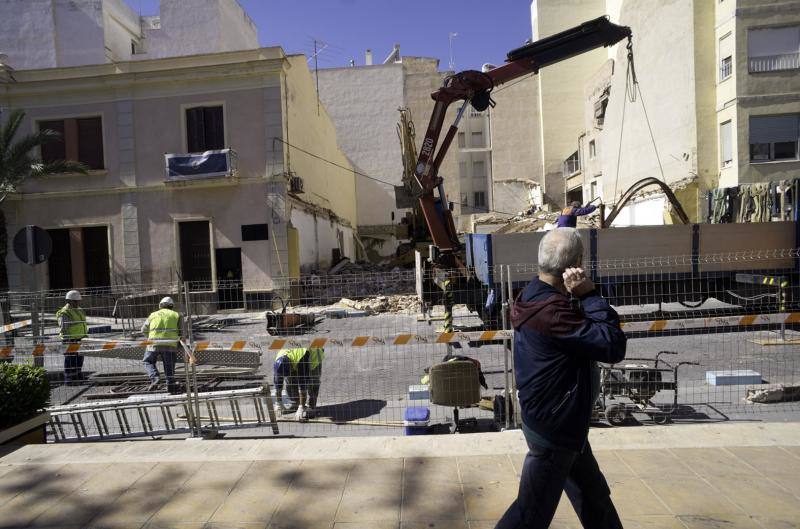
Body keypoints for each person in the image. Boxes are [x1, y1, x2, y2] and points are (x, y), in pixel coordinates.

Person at [495, 228, 626, 529]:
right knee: (529, 515)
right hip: (555, 431)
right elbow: (612, 345)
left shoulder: (535, 295)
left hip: (563, 424)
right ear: (577, 263)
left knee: (594, 497)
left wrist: (574, 298)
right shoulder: (553, 312)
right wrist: (589, 295)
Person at [141, 296, 183, 393]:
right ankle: (170, 386)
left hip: (153, 343)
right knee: (169, 366)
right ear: (172, 306)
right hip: (170, 345)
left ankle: (155, 378)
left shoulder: (153, 315)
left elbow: (143, 329)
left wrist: (149, 337)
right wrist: (180, 343)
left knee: (148, 361)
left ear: (160, 305)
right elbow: (182, 332)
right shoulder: (176, 315)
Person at [273, 347, 324, 421]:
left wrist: (301, 407)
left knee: (313, 383)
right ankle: (295, 404)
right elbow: (278, 385)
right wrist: (278, 403)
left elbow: (303, 386)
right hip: (294, 359)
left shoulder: (302, 361)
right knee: (290, 382)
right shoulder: (278, 363)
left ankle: (311, 407)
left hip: (313, 356)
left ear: (290, 367)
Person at [57, 290, 88, 383]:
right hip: (70, 339)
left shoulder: (79, 309)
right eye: (75, 301)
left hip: (80, 338)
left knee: (79, 358)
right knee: (70, 359)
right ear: (69, 301)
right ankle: (69, 379)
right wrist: (68, 339)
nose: (77, 303)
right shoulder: (65, 312)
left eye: (78, 301)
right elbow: (64, 328)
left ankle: (78, 376)